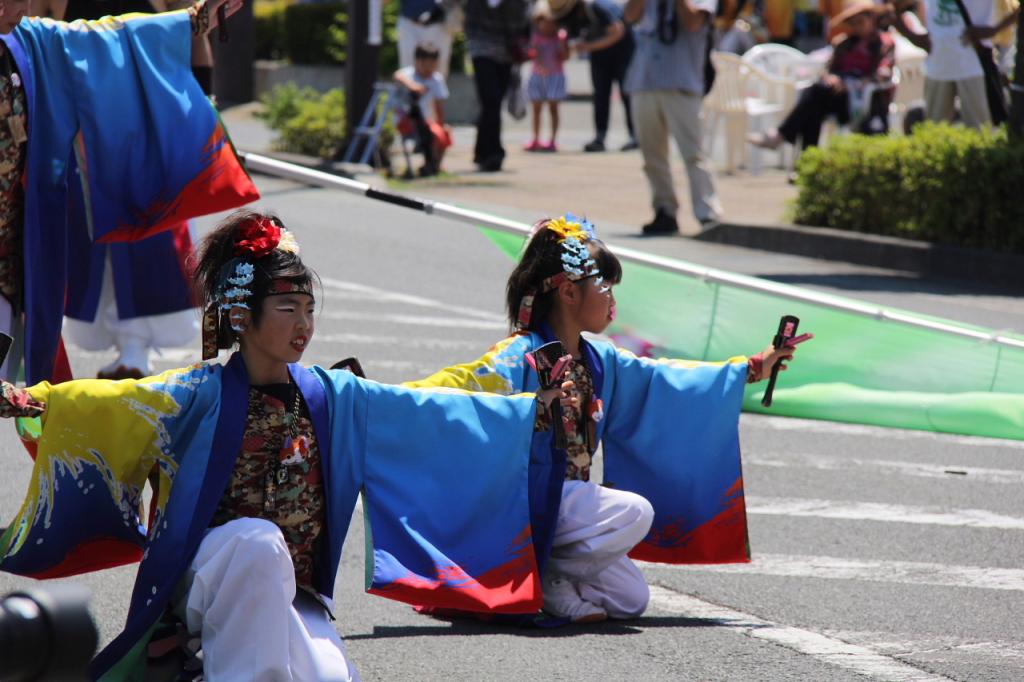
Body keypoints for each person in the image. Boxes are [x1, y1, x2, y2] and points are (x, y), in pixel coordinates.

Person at [0, 210, 578, 679]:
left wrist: (531, 409)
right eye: (286, 309)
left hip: (291, 591)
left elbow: (426, 406)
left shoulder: (333, 397)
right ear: (241, 318)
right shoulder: (196, 394)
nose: (304, 324)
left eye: (309, 309)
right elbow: (108, 402)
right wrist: (24, 399)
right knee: (257, 543)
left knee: (327, 675)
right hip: (214, 577)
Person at [405, 214, 803, 623]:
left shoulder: (601, 359)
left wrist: (753, 368)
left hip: (567, 502)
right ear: (568, 292)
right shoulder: (516, 355)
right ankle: (549, 576)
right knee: (635, 512)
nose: (613, 300)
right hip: (526, 500)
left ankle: (547, 574)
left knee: (629, 599)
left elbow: (666, 380)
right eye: (605, 287)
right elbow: (457, 388)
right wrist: (385, 397)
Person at [0, 0, 258, 385]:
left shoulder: (26, 41)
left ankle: (134, 349)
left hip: (12, 243)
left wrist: (193, 21)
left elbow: (97, 39)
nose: (25, 7)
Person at [50, 0, 206, 381]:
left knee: (149, 238)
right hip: (82, 122)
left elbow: (192, 30)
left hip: (150, 117)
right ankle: (126, 346)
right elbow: (38, 26)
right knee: (93, 240)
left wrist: (202, 106)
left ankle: (135, 348)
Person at [623, 0, 723, 235]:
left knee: (694, 153)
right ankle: (664, 210)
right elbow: (629, 16)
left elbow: (694, 22)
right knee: (652, 155)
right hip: (645, 80)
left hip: (682, 83)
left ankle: (708, 212)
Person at [749, 2, 895, 151]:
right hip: (834, 96)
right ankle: (805, 156)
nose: (857, 27)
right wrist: (832, 78)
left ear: (872, 20)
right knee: (814, 107)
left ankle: (783, 137)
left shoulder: (884, 43)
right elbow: (827, 69)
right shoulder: (844, 44)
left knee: (815, 97)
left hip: (863, 102)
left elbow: (884, 73)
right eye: (853, 23)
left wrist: (853, 84)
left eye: (861, 22)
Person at [548, 0, 638, 152]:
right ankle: (600, 137)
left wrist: (589, 47)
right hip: (599, 57)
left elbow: (618, 32)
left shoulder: (597, 8)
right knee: (600, 96)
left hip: (623, 54)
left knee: (626, 94)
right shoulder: (571, 19)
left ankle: (634, 136)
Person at [891, 0, 997, 127]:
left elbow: (1016, 10)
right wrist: (915, 38)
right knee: (934, 128)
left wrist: (995, 30)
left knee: (979, 128)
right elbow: (892, 7)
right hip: (938, 66)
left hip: (974, 65)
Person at [463, 0, 530, 172]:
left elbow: (525, 17)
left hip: (507, 51)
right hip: (481, 48)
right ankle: (493, 152)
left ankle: (482, 150)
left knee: (494, 102)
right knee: (490, 99)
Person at [393, 43, 454, 175]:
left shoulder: (436, 79)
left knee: (443, 133)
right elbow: (397, 76)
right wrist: (413, 86)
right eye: (425, 64)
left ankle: (433, 165)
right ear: (417, 61)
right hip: (407, 121)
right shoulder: (409, 74)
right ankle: (430, 164)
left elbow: (439, 106)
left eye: (432, 64)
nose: (428, 68)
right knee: (431, 133)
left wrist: (441, 124)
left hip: (427, 121)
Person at [524, 1, 569, 152]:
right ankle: (535, 139)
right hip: (537, 75)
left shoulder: (560, 37)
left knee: (553, 108)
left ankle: (553, 140)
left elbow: (565, 56)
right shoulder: (535, 37)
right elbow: (532, 54)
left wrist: (562, 43)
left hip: (555, 75)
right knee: (536, 109)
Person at [397, 0, 457, 77]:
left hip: (441, 21)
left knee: (440, 67)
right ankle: (410, 85)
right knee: (408, 65)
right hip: (409, 20)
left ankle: (436, 85)